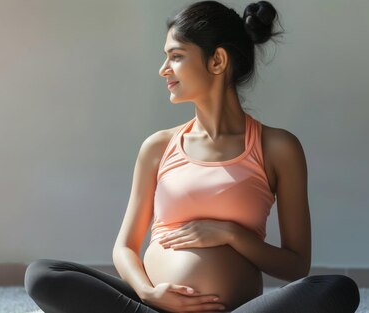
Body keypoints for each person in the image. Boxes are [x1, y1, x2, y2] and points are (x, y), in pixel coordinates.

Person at [24, 1, 360, 312]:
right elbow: (124, 248)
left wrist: (231, 234)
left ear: (217, 60)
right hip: (152, 307)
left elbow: (296, 265)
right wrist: (147, 292)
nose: (163, 69)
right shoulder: (158, 146)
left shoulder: (278, 148)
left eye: (176, 56)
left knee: (337, 289)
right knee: (42, 274)